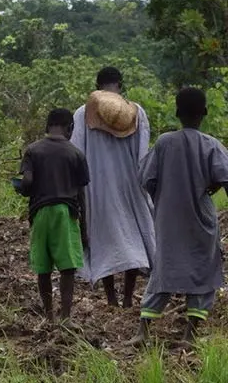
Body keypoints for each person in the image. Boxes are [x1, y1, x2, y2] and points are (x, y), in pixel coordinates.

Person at [132, 87, 228, 344]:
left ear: (176, 113)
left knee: (164, 269)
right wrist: (213, 186)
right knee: (203, 272)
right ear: (205, 113)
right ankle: (190, 334)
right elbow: (224, 177)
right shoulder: (211, 145)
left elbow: (146, 178)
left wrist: (162, 198)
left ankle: (143, 331)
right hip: (202, 221)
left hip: (168, 219)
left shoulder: (164, 143)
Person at [71, 66, 155, 308]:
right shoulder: (137, 112)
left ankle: (110, 298)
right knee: (132, 238)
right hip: (130, 185)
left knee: (103, 239)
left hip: (97, 187)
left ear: (97, 85)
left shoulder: (82, 113)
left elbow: (77, 153)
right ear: (120, 84)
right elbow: (143, 156)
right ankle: (128, 298)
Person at [15, 108, 89, 323]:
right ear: (70, 128)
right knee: (67, 267)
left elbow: (27, 182)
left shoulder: (33, 150)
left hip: (40, 212)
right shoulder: (76, 153)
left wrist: (23, 190)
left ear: (47, 126)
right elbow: (81, 193)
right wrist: (84, 228)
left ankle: (49, 316)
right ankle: (66, 316)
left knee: (43, 268)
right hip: (66, 213)